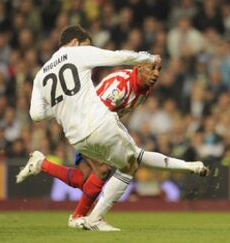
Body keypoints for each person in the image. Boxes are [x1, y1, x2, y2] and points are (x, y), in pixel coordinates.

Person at [17, 25, 208, 231]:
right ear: (74, 43)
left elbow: (36, 115)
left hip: (75, 133)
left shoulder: (40, 76)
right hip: (97, 123)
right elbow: (116, 57)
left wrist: (63, 108)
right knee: (126, 165)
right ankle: (91, 218)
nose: (155, 73)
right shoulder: (89, 61)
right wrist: (147, 57)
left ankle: (44, 167)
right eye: (86, 45)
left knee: (87, 178)